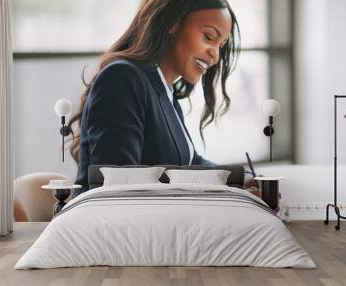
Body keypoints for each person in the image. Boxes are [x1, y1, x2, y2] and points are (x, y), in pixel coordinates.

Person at [68, 0, 241, 197]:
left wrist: (243, 181)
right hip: (110, 222)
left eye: (221, 45)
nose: (215, 55)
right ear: (173, 23)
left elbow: (190, 163)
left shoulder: (165, 92)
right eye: (209, 37)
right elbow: (119, 184)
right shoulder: (123, 78)